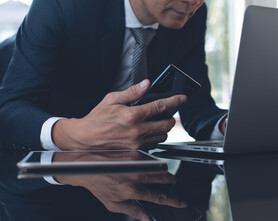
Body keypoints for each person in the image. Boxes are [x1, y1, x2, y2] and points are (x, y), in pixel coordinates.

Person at [0, 0, 227, 151]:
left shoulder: (191, 17)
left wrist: (228, 125)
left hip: (134, 177)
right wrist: (74, 133)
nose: (196, 1)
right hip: (44, 183)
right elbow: (10, 110)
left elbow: (195, 105)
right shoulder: (65, 4)